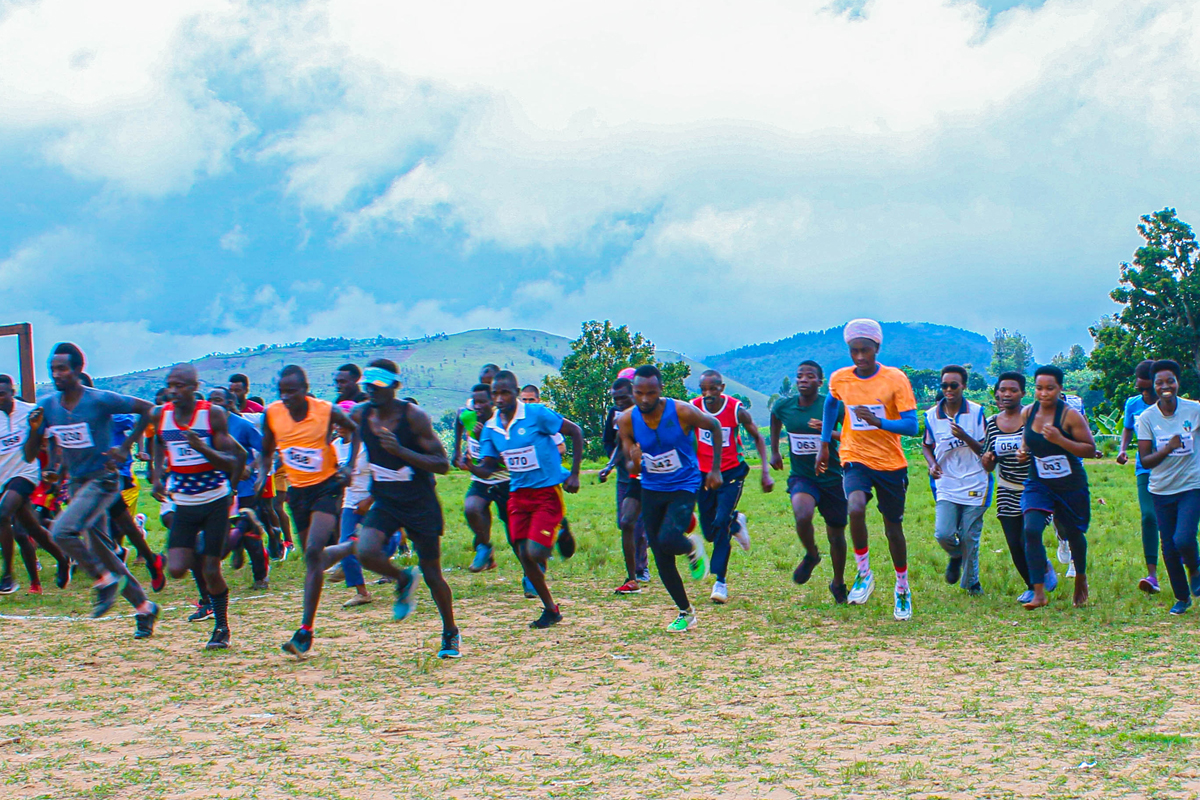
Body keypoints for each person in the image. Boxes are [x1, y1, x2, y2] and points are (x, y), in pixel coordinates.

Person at [24, 343, 160, 638]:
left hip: (103, 479)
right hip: (76, 483)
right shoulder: (48, 406)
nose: (56, 374)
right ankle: (144, 607)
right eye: (53, 369)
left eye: (62, 368)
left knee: (61, 532)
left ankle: (103, 580)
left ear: (77, 370)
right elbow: (29, 454)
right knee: (105, 552)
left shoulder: (99, 400)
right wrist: (35, 429)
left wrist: (126, 447)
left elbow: (149, 410)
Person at [346, 360, 462, 658]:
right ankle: (403, 578)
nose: (372, 390)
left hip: (419, 502)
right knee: (366, 552)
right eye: (368, 385)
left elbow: (442, 464)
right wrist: (347, 467)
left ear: (396, 386)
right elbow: (357, 441)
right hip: (385, 499)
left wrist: (401, 452)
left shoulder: (414, 417)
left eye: (379, 386)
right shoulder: (361, 414)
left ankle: (450, 633)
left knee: (433, 574)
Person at [817, 319, 919, 621]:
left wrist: (880, 423)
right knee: (856, 507)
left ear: (878, 348)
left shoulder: (895, 379)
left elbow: (911, 426)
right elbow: (830, 406)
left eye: (866, 350)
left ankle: (902, 588)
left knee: (893, 528)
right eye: (854, 351)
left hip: (890, 462)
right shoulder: (840, 379)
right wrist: (824, 443)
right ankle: (864, 572)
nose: (860, 357)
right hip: (853, 455)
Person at [468, 370, 584, 629]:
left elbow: (575, 432)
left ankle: (561, 529)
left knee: (536, 550)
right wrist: (470, 466)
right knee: (523, 554)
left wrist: (574, 473)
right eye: (495, 393)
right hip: (517, 494)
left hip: (546, 492)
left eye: (505, 392)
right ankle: (551, 610)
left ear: (516, 393)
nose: (499, 398)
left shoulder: (537, 415)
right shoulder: (491, 427)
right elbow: (488, 467)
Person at [256, 365, 358, 656]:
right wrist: (263, 471)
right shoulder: (273, 414)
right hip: (298, 491)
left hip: (327, 487)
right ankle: (351, 546)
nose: (286, 397)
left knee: (314, 551)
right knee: (313, 559)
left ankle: (304, 630)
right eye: (282, 392)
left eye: (292, 391)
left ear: (305, 389)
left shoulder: (326, 411)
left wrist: (349, 465)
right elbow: (266, 450)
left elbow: (356, 430)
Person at [617, 365, 723, 632]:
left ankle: (692, 547)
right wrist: (635, 461)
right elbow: (631, 463)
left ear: (660, 390)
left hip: (684, 485)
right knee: (661, 555)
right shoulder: (627, 420)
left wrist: (715, 468)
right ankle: (685, 612)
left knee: (667, 539)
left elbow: (715, 425)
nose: (644, 399)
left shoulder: (682, 411)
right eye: (639, 393)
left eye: (650, 393)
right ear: (633, 391)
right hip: (651, 487)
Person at [152, 364, 245, 650]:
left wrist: (202, 448)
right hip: (184, 503)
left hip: (214, 500)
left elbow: (234, 460)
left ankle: (221, 628)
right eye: (170, 385)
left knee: (211, 569)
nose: (173, 391)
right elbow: (158, 442)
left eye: (180, 386)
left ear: (194, 387)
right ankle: (216, 541)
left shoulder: (211, 415)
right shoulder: (162, 415)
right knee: (177, 568)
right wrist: (156, 474)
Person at [690, 370, 773, 603]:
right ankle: (737, 521)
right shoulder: (693, 408)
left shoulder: (736, 410)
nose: (708, 394)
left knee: (720, 523)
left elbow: (757, 437)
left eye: (713, 389)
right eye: (703, 389)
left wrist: (765, 471)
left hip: (732, 473)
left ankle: (720, 582)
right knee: (708, 532)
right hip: (704, 475)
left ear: (722, 388)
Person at [769, 361, 849, 602]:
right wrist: (774, 450)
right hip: (803, 476)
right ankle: (812, 554)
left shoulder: (832, 405)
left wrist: (828, 431)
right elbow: (775, 418)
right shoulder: (785, 406)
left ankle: (838, 582)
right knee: (802, 515)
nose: (803, 380)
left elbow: (853, 435)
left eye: (810, 376)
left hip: (833, 479)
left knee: (836, 534)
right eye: (799, 376)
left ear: (820, 382)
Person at [1018, 365, 1097, 610]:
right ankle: (1039, 592)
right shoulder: (1027, 413)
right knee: (1031, 529)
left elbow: (1090, 449)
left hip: (1069, 484)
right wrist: (1023, 452)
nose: (1044, 393)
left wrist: (1060, 439)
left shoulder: (1070, 416)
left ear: (1060, 389)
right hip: (1038, 482)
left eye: (1050, 388)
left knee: (1073, 533)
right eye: (1039, 388)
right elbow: (1027, 440)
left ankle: (1081, 578)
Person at [981, 372, 1058, 604]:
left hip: (1036, 487)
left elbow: (1050, 450)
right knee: (1014, 543)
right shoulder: (992, 423)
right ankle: (1032, 587)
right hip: (1006, 488)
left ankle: (1043, 568)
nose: (1007, 394)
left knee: (1029, 536)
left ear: (1023, 393)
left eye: (1013, 390)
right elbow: (989, 459)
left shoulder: (1034, 419)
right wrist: (987, 460)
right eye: (1003, 390)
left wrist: (1030, 455)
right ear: (996, 393)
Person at [1136, 360, 1200, 615]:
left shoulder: (1194, 410)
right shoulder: (1147, 417)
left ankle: (1195, 568)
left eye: (1170, 381)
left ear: (1177, 383)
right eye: (1160, 382)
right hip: (1161, 489)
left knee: (1183, 538)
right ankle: (1182, 597)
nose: (1166, 386)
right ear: (1153, 386)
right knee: (1169, 547)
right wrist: (1168, 448)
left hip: (1192, 486)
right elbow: (1145, 460)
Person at [922, 365, 990, 596]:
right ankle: (956, 554)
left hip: (976, 481)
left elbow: (985, 449)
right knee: (943, 533)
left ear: (964, 386)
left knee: (969, 534)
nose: (949, 389)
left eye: (954, 385)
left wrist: (964, 436)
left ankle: (972, 583)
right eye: (944, 385)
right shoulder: (932, 415)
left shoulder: (978, 413)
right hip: (947, 483)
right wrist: (932, 464)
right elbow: (926, 444)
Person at [0, 374, 70, 594]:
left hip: (26, 474)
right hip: (4, 478)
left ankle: (8, 575)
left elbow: (51, 439)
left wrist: (52, 469)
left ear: (12, 391)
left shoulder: (31, 410)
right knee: (31, 528)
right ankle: (62, 558)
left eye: (2, 393)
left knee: (2, 514)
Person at [209, 388, 271, 591]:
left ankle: (260, 576)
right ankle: (236, 547)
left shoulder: (242, 425)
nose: (212, 403)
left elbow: (265, 450)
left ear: (229, 403)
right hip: (217, 488)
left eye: (217, 400)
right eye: (210, 400)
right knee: (220, 531)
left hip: (244, 488)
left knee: (250, 533)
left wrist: (253, 470)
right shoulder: (205, 427)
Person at [453, 366, 510, 577]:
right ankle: (484, 547)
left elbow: (496, 462)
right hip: (481, 478)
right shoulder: (470, 414)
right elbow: (460, 418)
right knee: (472, 508)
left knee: (513, 529)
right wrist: (457, 451)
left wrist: (483, 438)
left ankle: (531, 573)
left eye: (491, 384)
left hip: (506, 478)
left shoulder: (503, 418)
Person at [598, 377, 651, 594]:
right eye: (615, 398)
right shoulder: (621, 418)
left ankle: (681, 545)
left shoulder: (652, 413)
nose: (619, 402)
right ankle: (633, 577)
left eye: (624, 397)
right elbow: (617, 444)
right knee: (627, 523)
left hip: (658, 476)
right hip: (630, 476)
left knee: (653, 529)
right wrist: (610, 466)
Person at [518, 383, 576, 559]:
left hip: (547, 476)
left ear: (538, 400)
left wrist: (542, 453)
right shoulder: (516, 421)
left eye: (531, 399)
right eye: (524, 400)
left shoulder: (543, 418)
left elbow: (562, 446)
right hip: (526, 479)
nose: (527, 403)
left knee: (546, 512)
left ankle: (550, 539)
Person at [1117, 360, 1161, 594]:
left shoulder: (1171, 405)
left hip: (1173, 468)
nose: (1145, 393)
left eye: (1148, 389)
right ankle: (1152, 575)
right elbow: (1127, 428)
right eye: (1141, 388)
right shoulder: (1133, 404)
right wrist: (1122, 449)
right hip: (1145, 467)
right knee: (1148, 517)